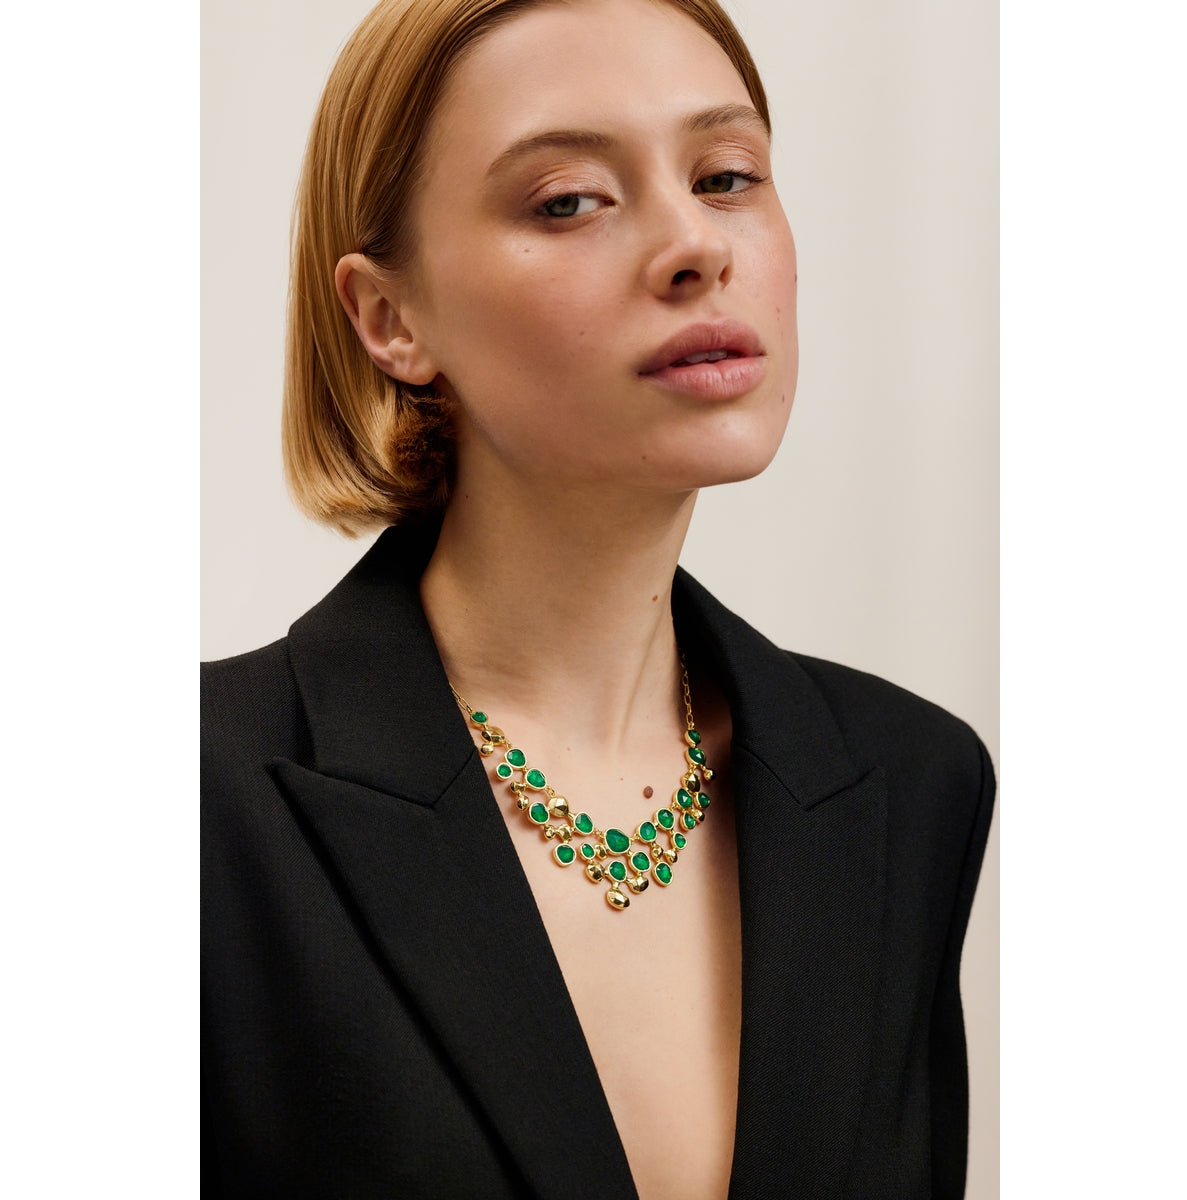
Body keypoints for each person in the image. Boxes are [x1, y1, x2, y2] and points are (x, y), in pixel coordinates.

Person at [201, 0, 995, 1196]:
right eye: (569, 200)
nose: (696, 246)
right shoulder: (184, 809)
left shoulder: (911, 784)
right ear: (389, 318)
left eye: (726, 177)